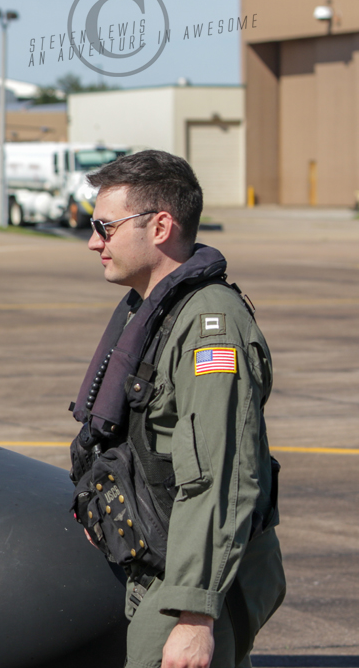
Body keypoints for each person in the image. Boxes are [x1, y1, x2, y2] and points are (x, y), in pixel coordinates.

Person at [69, 150, 285, 668]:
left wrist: (195, 616)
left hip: (196, 578)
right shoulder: (153, 308)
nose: (94, 242)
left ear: (161, 226)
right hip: (164, 556)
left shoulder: (211, 328)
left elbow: (222, 476)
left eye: (105, 227)